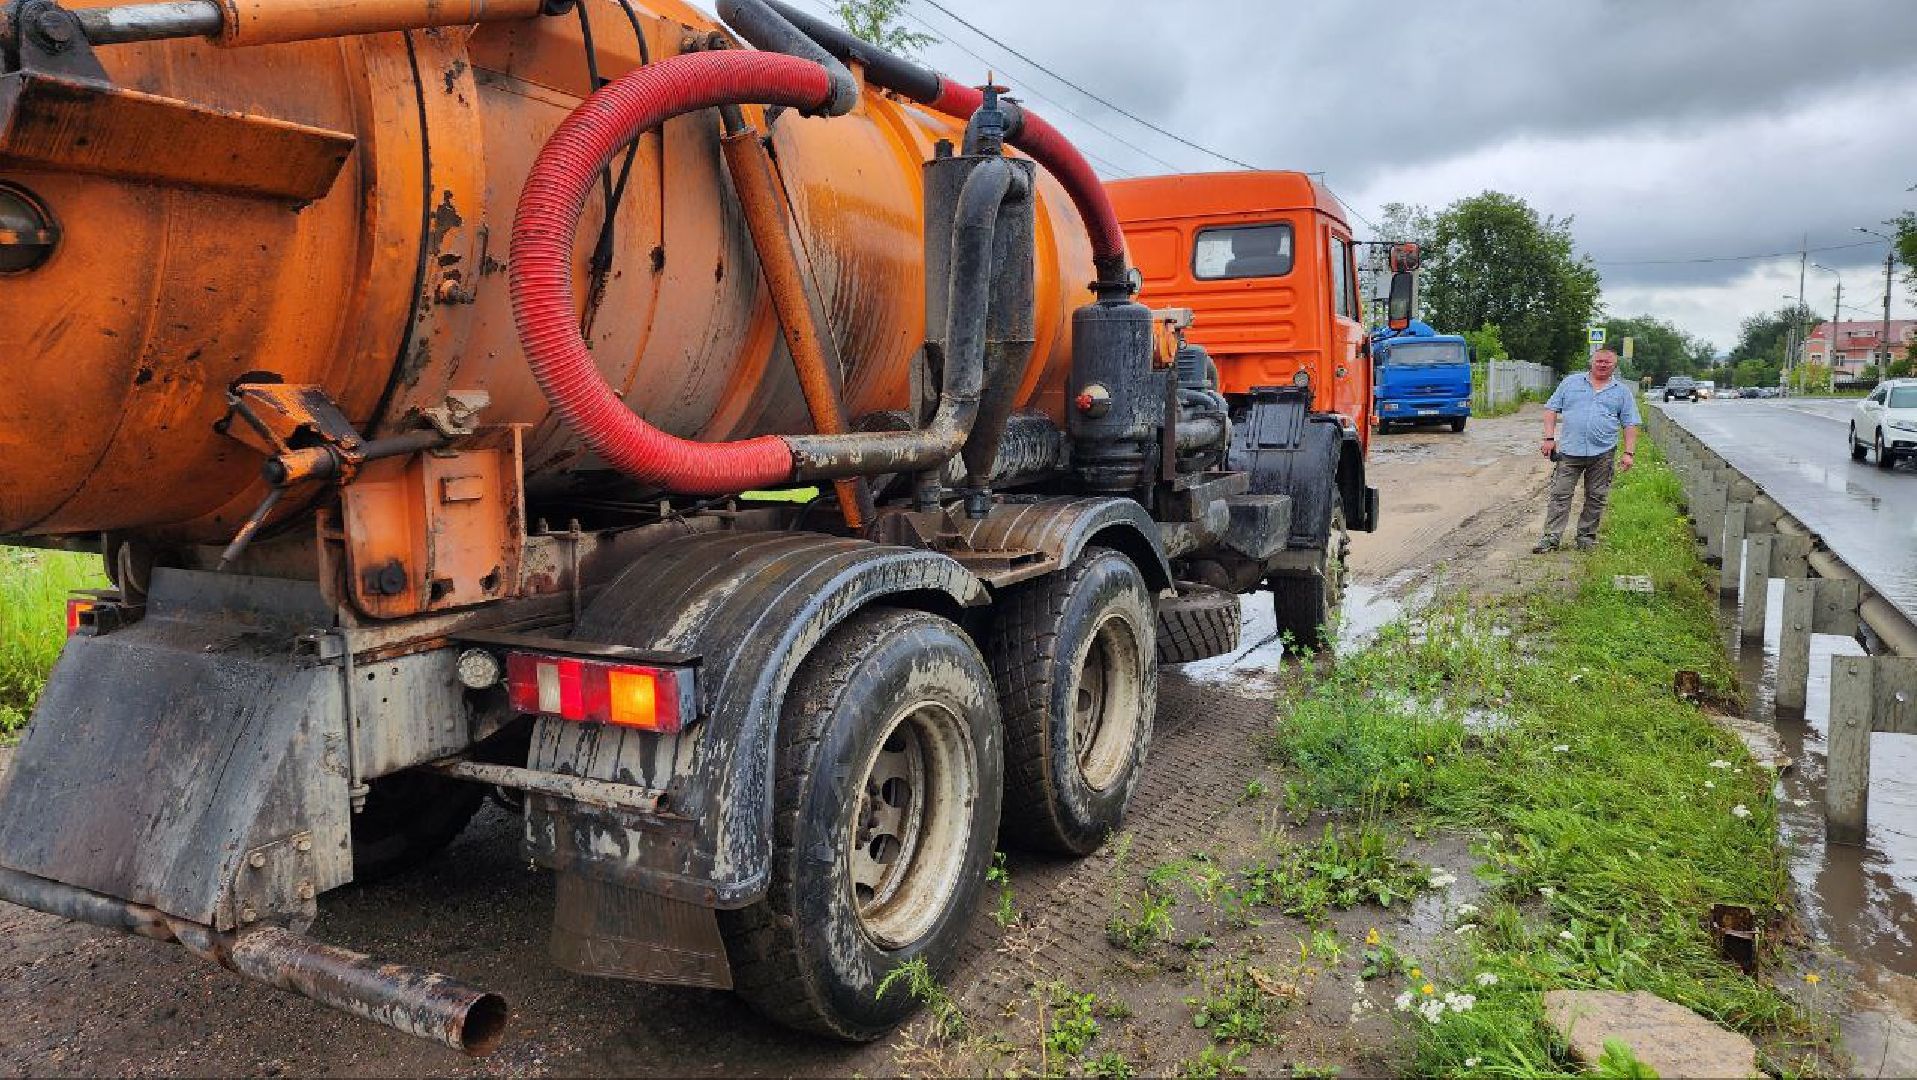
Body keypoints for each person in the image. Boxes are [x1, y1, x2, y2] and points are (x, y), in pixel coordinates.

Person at [1534, 348, 1640, 553]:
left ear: (1614, 366)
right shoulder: (1570, 383)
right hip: (1570, 452)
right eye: (1599, 361)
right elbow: (1551, 409)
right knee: (1560, 494)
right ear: (1591, 362)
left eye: (1607, 363)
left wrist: (1629, 453)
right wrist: (1549, 438)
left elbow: (1630, 423)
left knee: (1596, 496)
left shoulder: (1622, 392)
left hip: (1603, 454)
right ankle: (1551, 538)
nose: (1602, 365)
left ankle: (1586, 538)